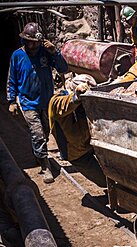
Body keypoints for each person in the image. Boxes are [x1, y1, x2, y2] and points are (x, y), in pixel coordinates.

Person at [7, 22, 68, 183]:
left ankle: (38, 154)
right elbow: (12, 79)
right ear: (24, 40)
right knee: (38, 134)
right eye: (30, 41)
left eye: (36, 42)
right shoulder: (17, 56)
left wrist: (55, 52)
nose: (33, 45)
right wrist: (12, 100)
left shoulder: (45, 53)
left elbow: (63, 69)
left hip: (46, 101)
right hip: (28, 102)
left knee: (46, 132)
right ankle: (45, 166)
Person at [48, 74, 106, 187]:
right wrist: (76, 96)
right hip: (77, 153)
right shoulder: (57, 101)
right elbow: (62, 104)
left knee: (114, 174)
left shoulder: (86, 102)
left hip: (92, 144)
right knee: (104, 181)